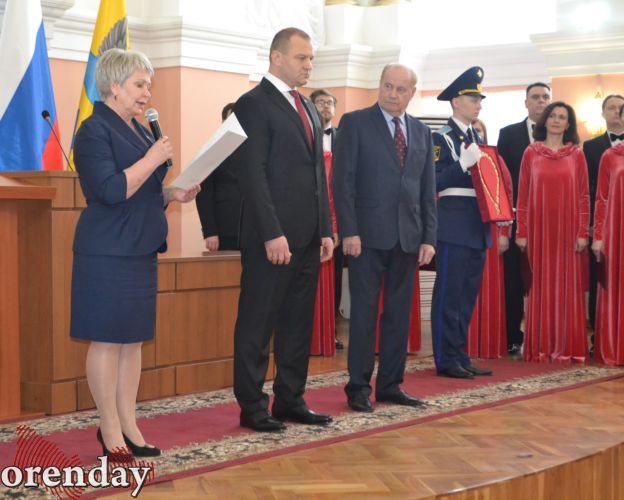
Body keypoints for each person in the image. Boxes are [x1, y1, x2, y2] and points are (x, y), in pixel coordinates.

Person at [70, 48, 200, 457]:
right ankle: (108, 428)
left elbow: (142, 191)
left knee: (133, 342)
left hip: (139, 247)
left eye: (148, 85)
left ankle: (129, 424)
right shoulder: (93, 131)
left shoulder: (140, 131)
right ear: (114, 85)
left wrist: (172, 194)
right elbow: (111, 190)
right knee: (108, 341)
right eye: (139, 85)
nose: (147, 93)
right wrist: (153, 158)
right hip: (107, 251)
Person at [231, 28, 334, 432]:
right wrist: (272, 233)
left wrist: (325, 228)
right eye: (301, 58)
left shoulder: (306, 105)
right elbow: (252, 174)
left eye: (311, 59)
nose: (308, 65)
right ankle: (252, 406)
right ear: (276, 57)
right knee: (258, 323)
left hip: (308, 238)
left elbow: (317, 173)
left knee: (297, 323)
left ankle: (291, 399)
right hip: (270, 238)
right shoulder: (253, 103)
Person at [333, 63, 436, 413]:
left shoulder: (421, 132)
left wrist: (429, 238)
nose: (393, 94)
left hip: (408, 239)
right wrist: (349, 230)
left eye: (400, 89)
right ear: (379, 86)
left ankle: (391, 385)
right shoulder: (355, 123)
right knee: (363, 315)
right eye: (388, 86)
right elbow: (343, 182)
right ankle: (358, 387)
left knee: (398, 316)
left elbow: (427, 190)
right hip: (365, 237)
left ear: (412, 93)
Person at [430, 66, 493, 379]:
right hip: (454, 223)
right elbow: (434, 180)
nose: (478, 104)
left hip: (476, 223)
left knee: (466, 295)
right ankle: (446, 358)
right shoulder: (440, 137)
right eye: (473, 98)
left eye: (479, 99)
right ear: (455, 101)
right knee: (449, 293)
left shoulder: (475, 136)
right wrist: (461, 165)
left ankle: (460, 354)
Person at [516, 101, 589, 363]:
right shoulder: (530, 153)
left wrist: (583, 232)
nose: (557, 120)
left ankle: (567, 347)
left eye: (562, 117)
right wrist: (521, 231)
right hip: (538, 231)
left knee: (567, 288)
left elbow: (584, 196)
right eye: (553, 116)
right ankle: (540, 347)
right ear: (545, 120)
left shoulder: (576, 155)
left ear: (568, 125)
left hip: (569, 231)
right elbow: (522, 195)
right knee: (540, 287)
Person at [497, 82, 552, 355]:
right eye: (536, 97)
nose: (541, 101)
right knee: (513, 280)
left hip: (551, 221)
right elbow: (502, 180)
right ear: (526, 102)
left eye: (545, 97)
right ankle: (511, 336)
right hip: (516, 218)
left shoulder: (561, 135)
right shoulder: (508, 134)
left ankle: (548, 336)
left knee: (549, 279)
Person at [466, 119, 512, 359]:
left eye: (479, 131)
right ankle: (464, 344)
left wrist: (504, 234)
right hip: (464, 232)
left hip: (492, 232)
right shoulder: (458, 158)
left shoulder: (496, 160)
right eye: (472, 131)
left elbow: (506, 194)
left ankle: (489, 343)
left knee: (489, 287)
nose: (476, 134)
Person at [583, 94, 624, 342]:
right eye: (612, 108)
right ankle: (601, 336)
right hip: (604, 223)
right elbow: (590, 189)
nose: (617, 112)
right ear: (603, 113)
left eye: (621, 107)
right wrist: (593, 227)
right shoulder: (592, 147)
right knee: (601, 277)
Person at [309, 88, 343, 354]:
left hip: (337, 221)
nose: (325, 107)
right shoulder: (304, 134)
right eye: (320, 102)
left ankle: (330, 332)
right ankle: (306, 334)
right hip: (308, 219)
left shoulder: (344, 138)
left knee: (335, 281)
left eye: (329, 103)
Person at [195, 102, 241, 251]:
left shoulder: (255, 149)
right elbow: (203, 195)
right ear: (223, 123)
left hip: (254, 232)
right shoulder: (212, 150)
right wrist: (210, 232)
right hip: (225, 230)